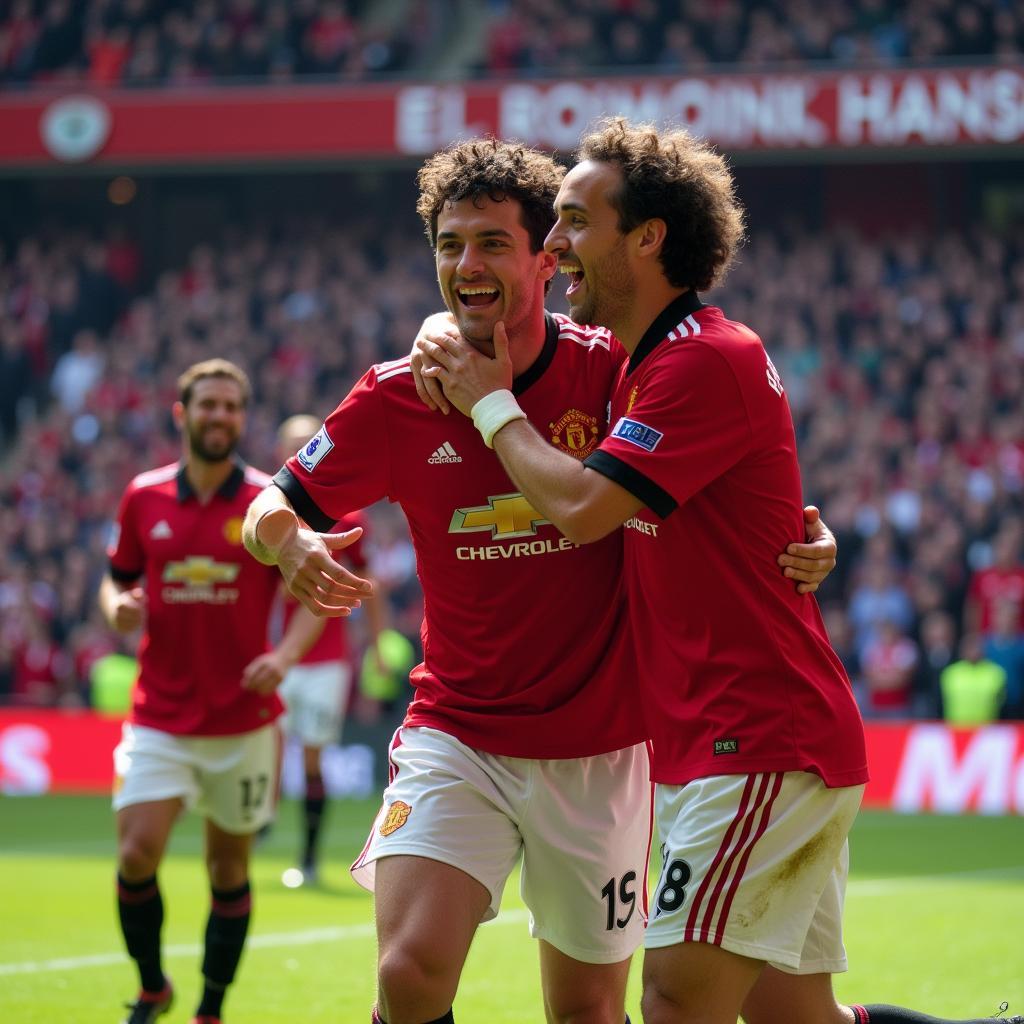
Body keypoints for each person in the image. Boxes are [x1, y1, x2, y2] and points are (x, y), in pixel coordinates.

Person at [419, 120, 1021, 1024]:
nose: (554, 245)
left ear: (648, 235)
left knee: (672, 1000)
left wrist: (491, 406)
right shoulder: (648, 361)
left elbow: (583, 510)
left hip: (759, 741)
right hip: (742, 744)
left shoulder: (702, 359)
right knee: (796, 1018)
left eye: (576, 222)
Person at [241, 139, 838, 1024]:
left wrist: (804, 524)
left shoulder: (614, 371)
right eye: (449, 245)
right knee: (407, 976)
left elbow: (709, 453)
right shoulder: (399, 392)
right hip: (457, 730)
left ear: (545, 258)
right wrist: (287, 544)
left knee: (589, 1011)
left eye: (490, 243)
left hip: (601, 749)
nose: (465, 264)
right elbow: (271, 500)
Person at [99, 359, 356, 1024]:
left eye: (230, 408)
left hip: (242, 723)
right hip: (159, 715)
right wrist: (116, 608)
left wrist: (286, 656)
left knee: (227, 872)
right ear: (182, 415)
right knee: (134, 855)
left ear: (242, 419)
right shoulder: (143, 496)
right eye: (207, 406)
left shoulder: (266, 506)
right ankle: (153, 986)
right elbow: (115, 577)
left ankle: (209, 1010)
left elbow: (314, 591)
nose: (219, 417)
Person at [273, 413, 383, 888]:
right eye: (292, 443)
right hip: (269, 656)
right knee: (264, 750)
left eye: (306, 442)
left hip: (325, 662)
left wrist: (377, 646)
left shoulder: (349, 518)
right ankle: (253, 828)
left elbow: (368, 585)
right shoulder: (265, 516)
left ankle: (309, 857)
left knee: (313, 759)